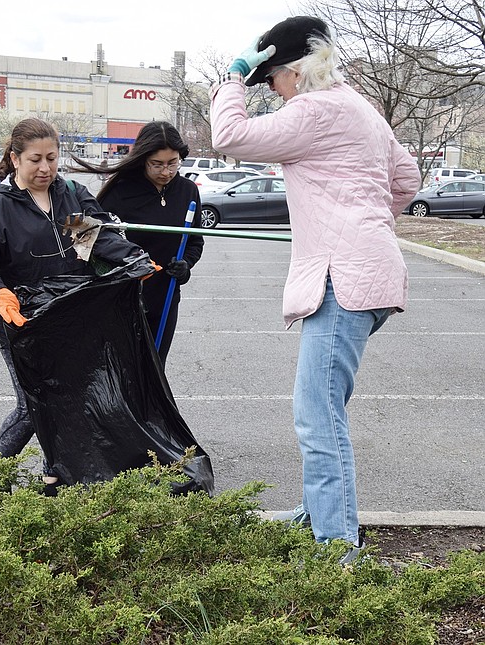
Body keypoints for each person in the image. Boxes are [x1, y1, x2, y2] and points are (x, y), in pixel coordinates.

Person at [209, 16, 421, 562]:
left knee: (317, 415)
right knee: (325, 407)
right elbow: (407, 181)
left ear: (296, 70)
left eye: (272, 77)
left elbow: (229, 136)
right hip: (368, 271)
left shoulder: (314, 109)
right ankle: (316, 512)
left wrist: (233, 77)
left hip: (342, 279)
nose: (272, 90)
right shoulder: (361, 108)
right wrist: (368, 222)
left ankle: (336, 546)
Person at [0, 117, 154, 494]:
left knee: (70, 402)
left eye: (52, 158)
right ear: (14, 159)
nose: (45, 168)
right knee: (32, 407)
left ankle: (54, 476)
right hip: (24, 324)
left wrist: (132, 260)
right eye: (35, 160)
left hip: (71, 317)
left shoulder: (69, 196)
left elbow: (91, 239)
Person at [75, 121, 204, 368]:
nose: (166, 171)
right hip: (125, 299)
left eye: (173, 163)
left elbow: (195, 241)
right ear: (143, 159)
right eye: (157, 164)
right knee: (126, 371)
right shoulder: (121, 190)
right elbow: (89, 241)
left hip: (165, 296)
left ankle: (152, 409)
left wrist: (186, 265)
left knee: (156, 369)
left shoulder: (188, 191)